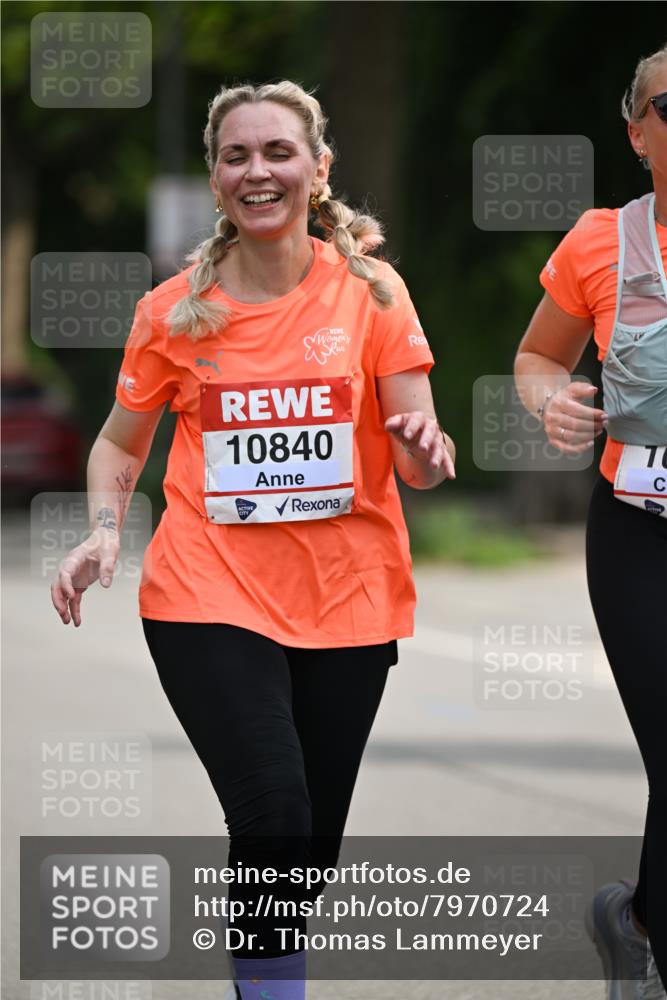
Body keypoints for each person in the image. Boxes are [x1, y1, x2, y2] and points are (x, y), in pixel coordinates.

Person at [50, 80, 456, 1000]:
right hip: (207, 595)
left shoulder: (371, 293)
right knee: (272, 809)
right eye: (237, 155)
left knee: (306, 851)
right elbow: (121, 441)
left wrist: (423, 452)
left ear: (317, 172)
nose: (257, 170)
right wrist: (105, 535)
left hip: (348, 601)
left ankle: (257, 975)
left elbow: (423, 458)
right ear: (215, 176)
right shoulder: (171, 313)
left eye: (278, 152)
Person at [514, 45, 667, 1000]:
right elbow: (536, 357)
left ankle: (637, 921)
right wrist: (551, 401)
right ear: (638, 131)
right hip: (640, 532)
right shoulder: (602, 242)